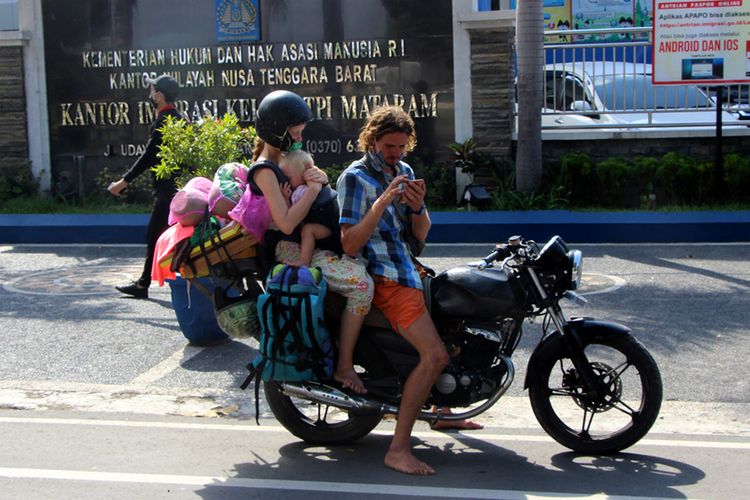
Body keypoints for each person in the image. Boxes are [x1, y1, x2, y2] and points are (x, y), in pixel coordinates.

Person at [336, 105, 449, 475]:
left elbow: (420, 235)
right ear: (372, 139)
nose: (396, 154)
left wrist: (418, 209)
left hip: (410, 269)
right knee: (434, 356)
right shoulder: (355, 179)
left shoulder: (405, 171)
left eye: (401, 147)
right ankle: (397, 449)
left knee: (457, 323)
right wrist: (382, 201)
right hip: (385, 277)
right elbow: (350, 244)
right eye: (389, 146)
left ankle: (443, 410)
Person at [249, 90, 372, 394]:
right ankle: (344, 365)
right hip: (294, 248)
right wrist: (315, 189)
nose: (301, 137)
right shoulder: (265, 169)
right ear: (277, 129)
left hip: (314, 238)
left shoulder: (286, 158)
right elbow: (288, 221)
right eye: (296, 131)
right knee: (362, 286)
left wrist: (319, 182)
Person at [109, 74, 185, 299]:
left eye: (152, 91)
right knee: (160, 234)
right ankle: (147, 282)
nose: (149, 95)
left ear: (159, 96)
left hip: (167, 190)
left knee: (156, 234)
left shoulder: (164, 121)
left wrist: (123, 182)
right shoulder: (177, 117)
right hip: (174, 189)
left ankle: (145, 284)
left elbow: (148, 156)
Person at [278, 149, 335, 268]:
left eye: (288, 179)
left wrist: (286, 200)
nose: (286, 182)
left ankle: (304, 260)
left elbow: (291, 217)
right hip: (331, 227)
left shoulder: (302, 191)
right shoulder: (315, 186)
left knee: (307, 230)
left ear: (307, 170)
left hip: (329, 230)